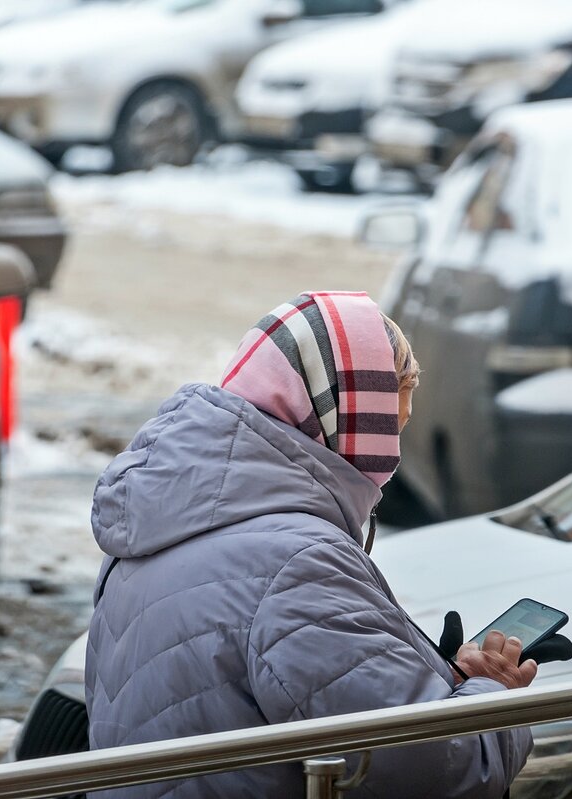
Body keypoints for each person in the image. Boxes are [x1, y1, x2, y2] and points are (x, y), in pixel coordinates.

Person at [85, 291, 535, 797]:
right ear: (351, 419)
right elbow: (439, 770)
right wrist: (495, 697)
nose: (393, 458)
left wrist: (429, 675)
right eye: (391, 428)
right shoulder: (299, 563)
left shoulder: (164, 515)